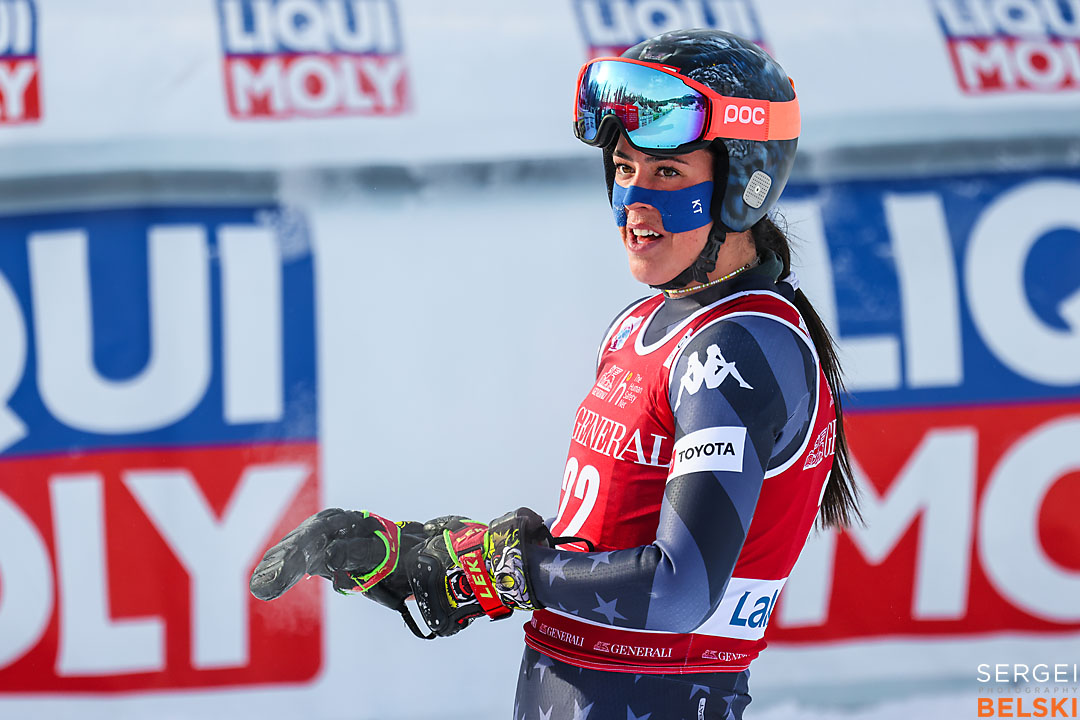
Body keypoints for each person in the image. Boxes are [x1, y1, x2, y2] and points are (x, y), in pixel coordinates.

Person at [250, 28, 860, 720]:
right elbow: (599, 549)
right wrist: (430, 555)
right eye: (624, 168)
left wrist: (511, 571)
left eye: (667, 173)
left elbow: (679, 588)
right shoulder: (641, 328)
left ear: (744, 185)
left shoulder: (732, 352)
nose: (635, 199)